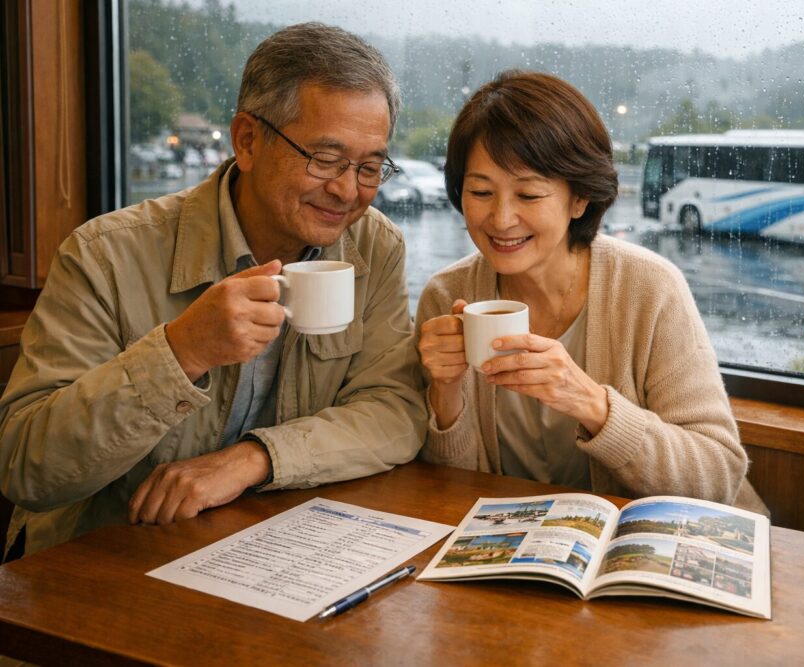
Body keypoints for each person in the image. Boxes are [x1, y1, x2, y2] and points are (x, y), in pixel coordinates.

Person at [0, 23, 426, 560]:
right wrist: (182, 351)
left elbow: (394, 409)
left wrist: (255, 459)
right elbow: (26, 469)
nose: (347, 190)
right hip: (105, 557)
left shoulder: (373, 246)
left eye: (369, 167)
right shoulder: (105, 253)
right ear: (247, 140)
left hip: (271, 551)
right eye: (324, 158)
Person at [416, 70, 764, 510]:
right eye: (481, 191)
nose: (501, 219)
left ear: (579, 198)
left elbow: (717, 475)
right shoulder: (446, 296)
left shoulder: (649, 288)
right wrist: (446, 392)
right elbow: (448, 489)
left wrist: (593, 405)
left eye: (528, 195)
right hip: (512, 551)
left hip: (653, 547)